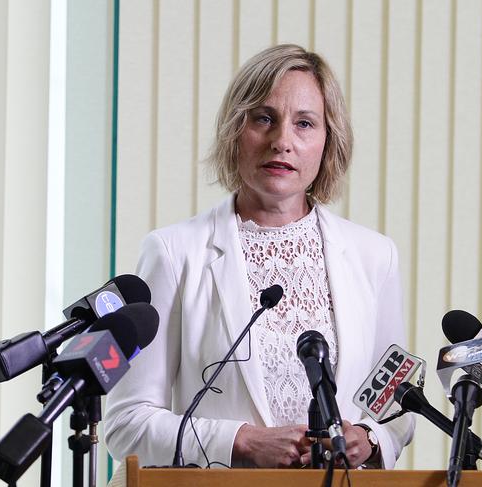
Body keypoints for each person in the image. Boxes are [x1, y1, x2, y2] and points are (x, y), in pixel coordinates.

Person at [104, 44, 414, 470]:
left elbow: (397, 408)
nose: (282, 141)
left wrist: (369, 439)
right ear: (236, 131)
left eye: (305, 123)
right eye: (264, 118)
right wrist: (241, 442)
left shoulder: (374, 256)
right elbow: (125, 424)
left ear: (328, 141)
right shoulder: (175, 253)